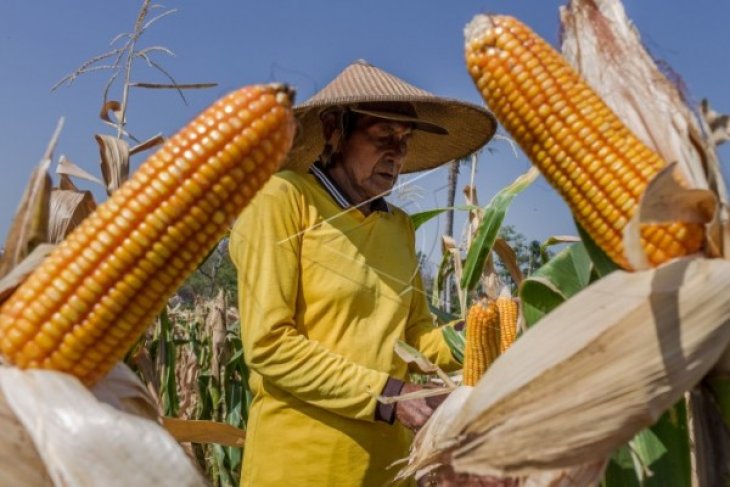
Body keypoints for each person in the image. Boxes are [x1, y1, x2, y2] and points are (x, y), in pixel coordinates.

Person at [229, 59, 496, 486]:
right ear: (335, 129)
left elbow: (417, 339)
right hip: (300, 468)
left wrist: (488, 330)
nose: (398, 152)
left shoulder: (399, 229)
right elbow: (269, 345)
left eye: (404, 139)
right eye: (382, 136)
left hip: (388, 471)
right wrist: (389, 397)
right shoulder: (282, 199)